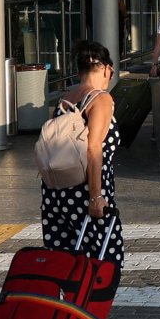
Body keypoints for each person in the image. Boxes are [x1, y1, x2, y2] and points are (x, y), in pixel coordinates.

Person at [42, 40, 125, 265]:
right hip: (84, 191)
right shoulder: (101, 99)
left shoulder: (66, 100)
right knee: (105, 260)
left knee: (65, 263)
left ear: (79, 71)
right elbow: (93, 147)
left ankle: (69, 301)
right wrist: (96, 196)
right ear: (107, 69)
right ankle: (91, 301)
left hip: (55, 194)